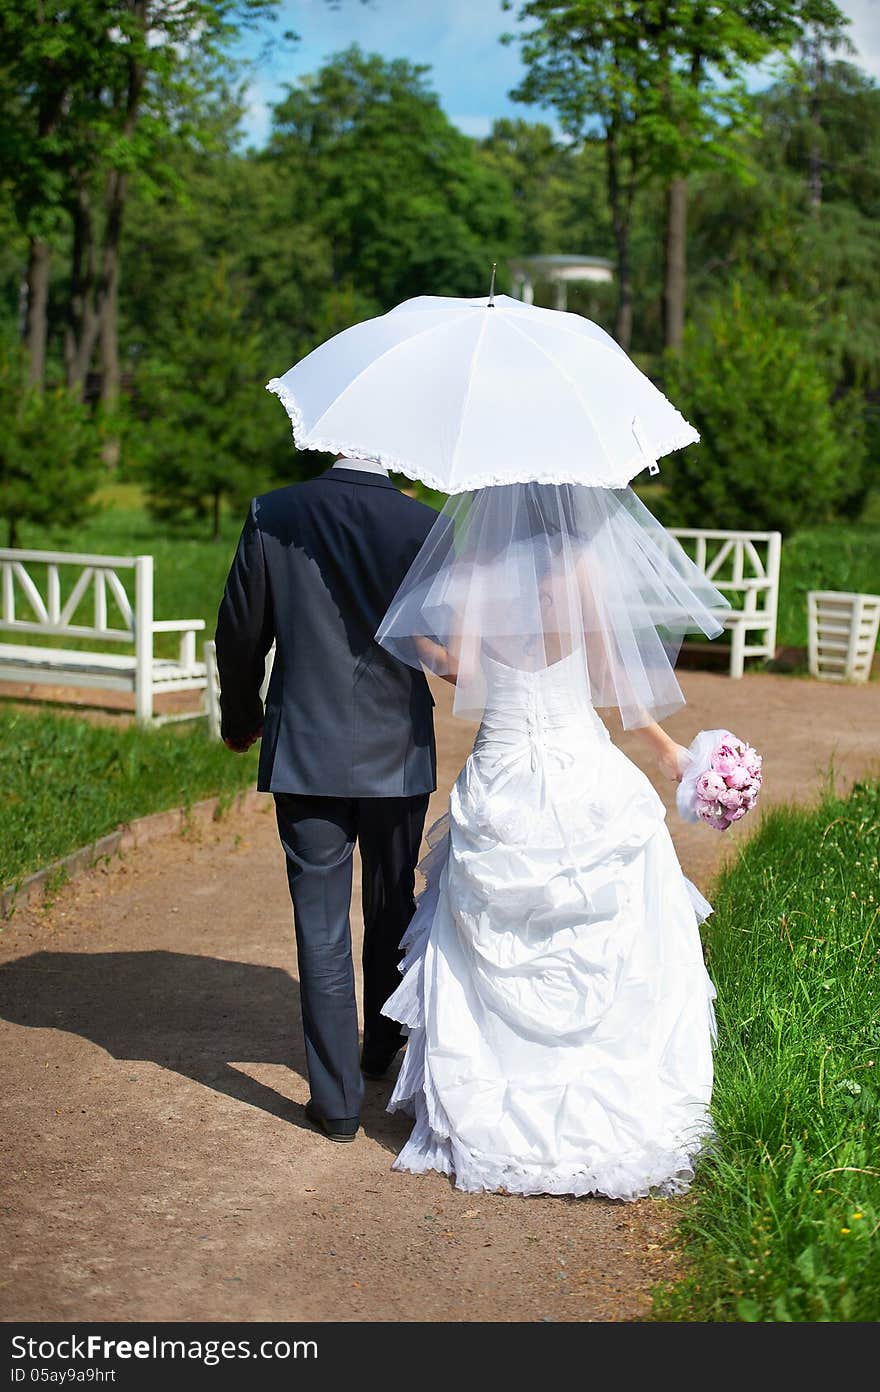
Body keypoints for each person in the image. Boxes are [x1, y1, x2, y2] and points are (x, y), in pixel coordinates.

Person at [375, 480, 729, 1200]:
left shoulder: (473, 569)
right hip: (580, 757)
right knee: (616, 915)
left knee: (490, 922)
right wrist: (670, 754)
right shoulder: (584, 569)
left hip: (504, 762)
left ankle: (496, 1104)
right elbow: (612, 678)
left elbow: (461, 669)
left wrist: (416, 637)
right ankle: (618, 1090)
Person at [215, 455, 438, 1143]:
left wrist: (241, 713)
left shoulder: (271, 513)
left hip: (305, 746)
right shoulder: (423, 525)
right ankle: (380, 1048)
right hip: (397, 747)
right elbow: (448, 637)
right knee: (391, 899)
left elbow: (240, 630)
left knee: (319, 923)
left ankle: (336, 1103)